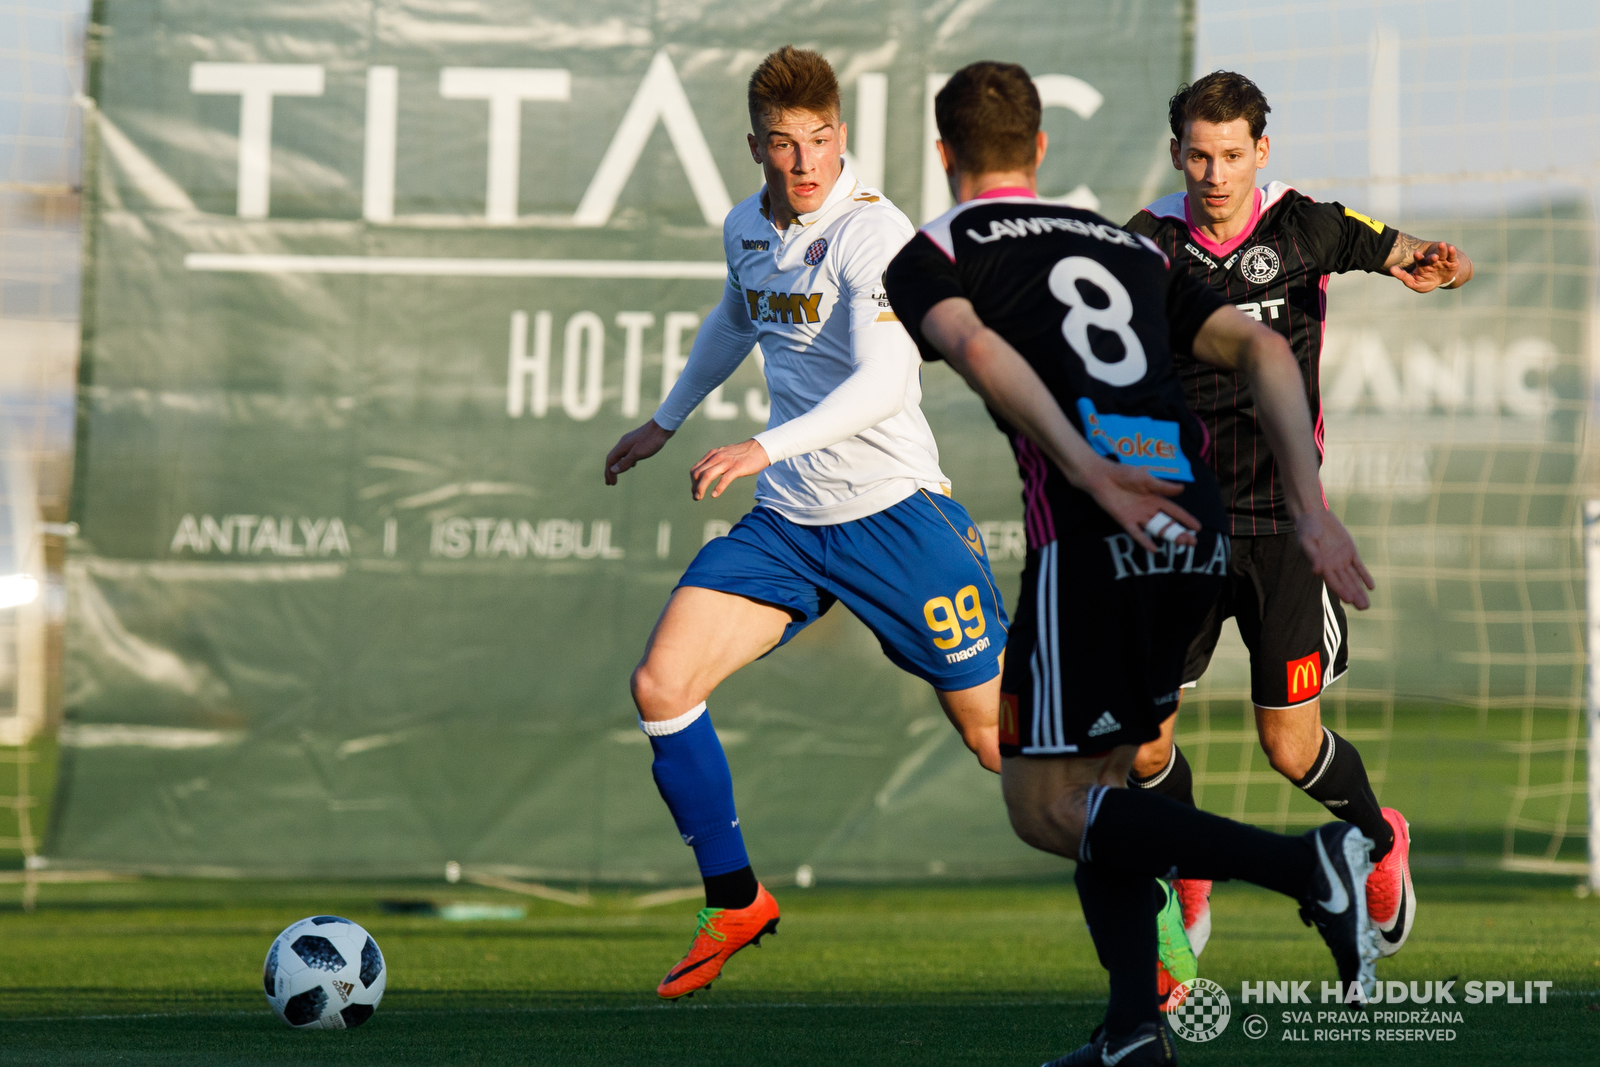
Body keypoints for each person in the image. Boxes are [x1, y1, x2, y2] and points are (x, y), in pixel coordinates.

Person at [884, 61, 1381, 1066]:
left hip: (1093, 542)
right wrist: (1310, 512)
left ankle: (1310, 862)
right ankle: (1130, 1031)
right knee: (1108, 788)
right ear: (1040, 149)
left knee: (1045, 807)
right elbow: (1271, 354)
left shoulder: (935, 247)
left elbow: (979, 352)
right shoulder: (1125, 246)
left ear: (944, 155)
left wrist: (1091, 475)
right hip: (1197, 530)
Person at [603, 46, 1007, 1001]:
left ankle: (1154, 861)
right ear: (756, 147)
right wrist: (666, 421)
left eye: (820, 140)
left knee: (1004, 745)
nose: (806, 163)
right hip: (790, 524)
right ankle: (735, 899)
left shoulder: (876, 235)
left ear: (841, 136)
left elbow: (886, 380)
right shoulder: (749, 226)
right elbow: (737, 315)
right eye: (784, 145)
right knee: (663, 683)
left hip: (895, 519)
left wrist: (763, 446)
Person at [1121, 71, 1469, 964]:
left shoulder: (1305, 224)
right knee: (1143, 740)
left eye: (1232, 154)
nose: (1215, 172)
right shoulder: (1146, 245)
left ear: (1260, 153)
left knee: (1287, 745)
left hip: (1284, 524)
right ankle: (1189, 870)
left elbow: (1403, 252)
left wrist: (1434, 263)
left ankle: (1380, 843)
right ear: (1176, 155)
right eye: (1198, 154)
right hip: (1182, 530)